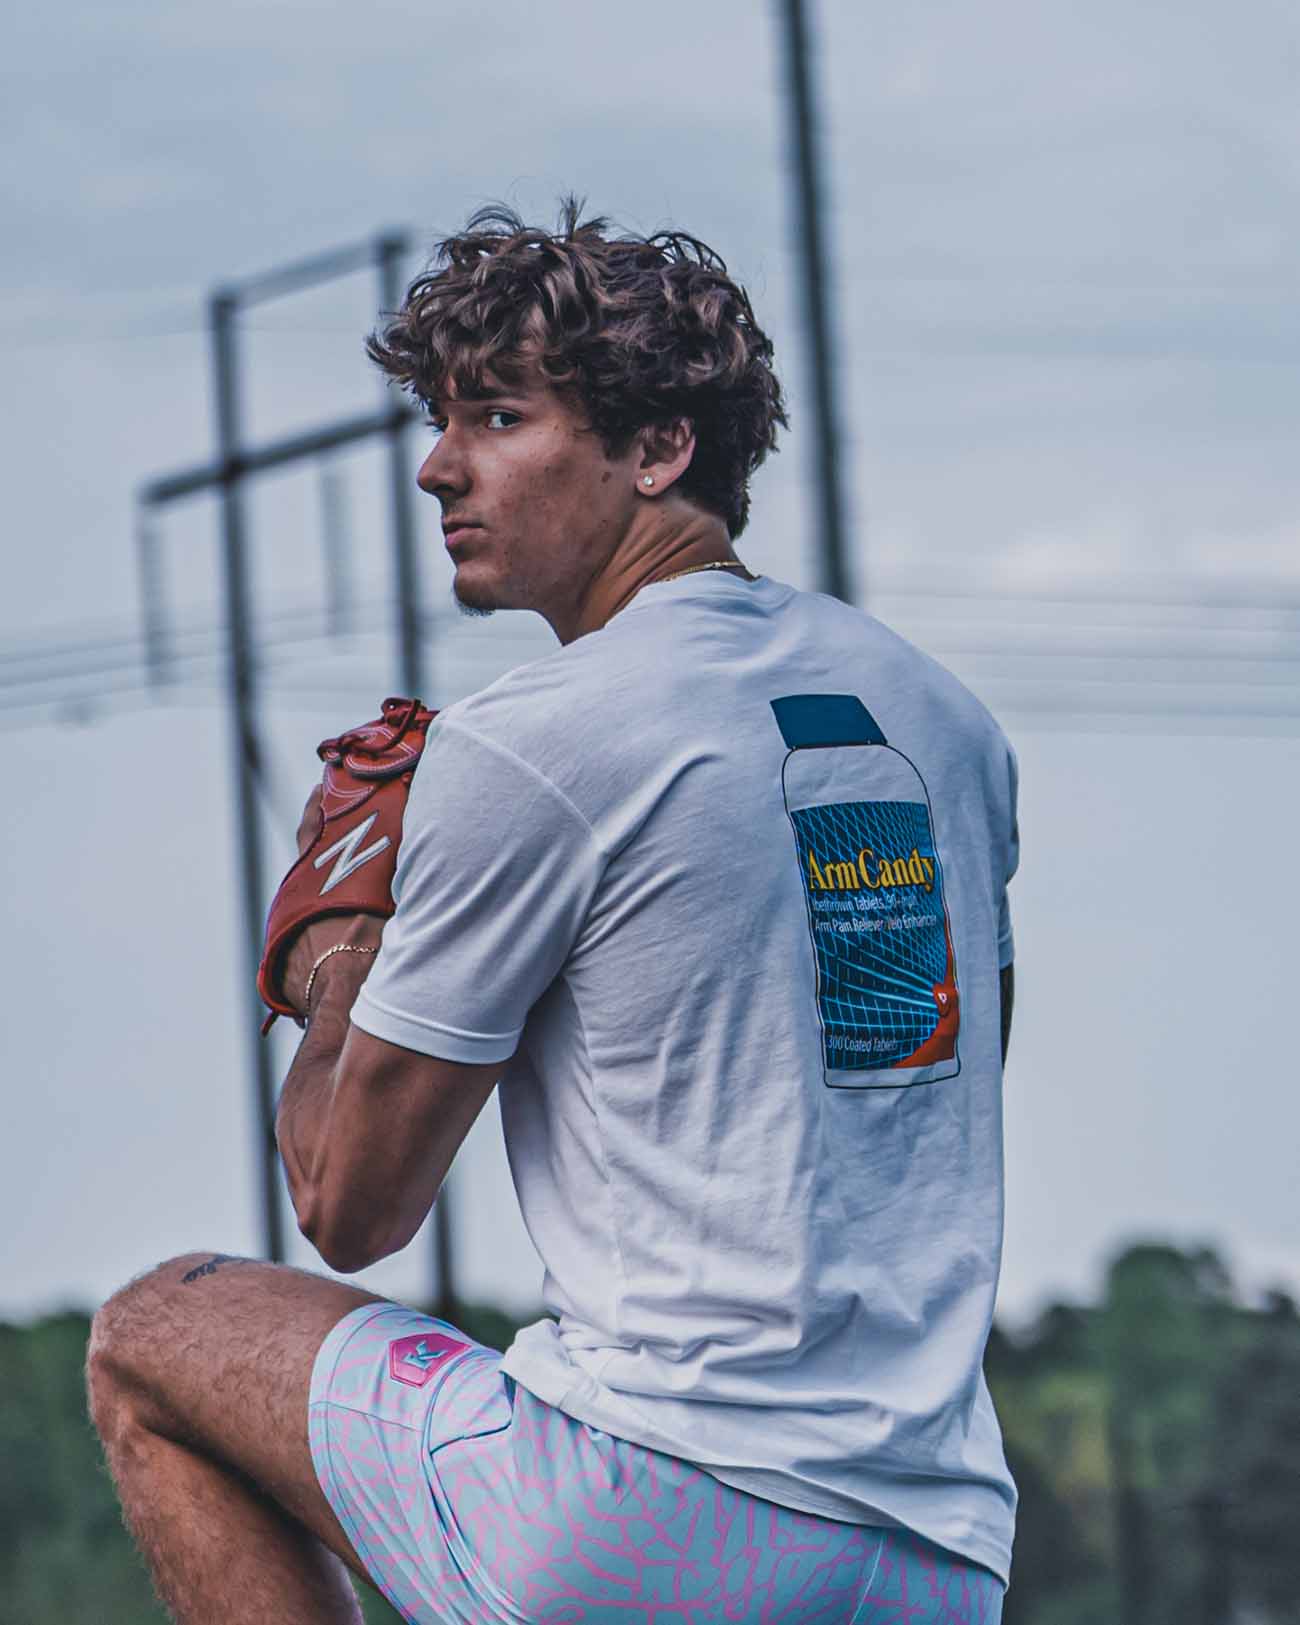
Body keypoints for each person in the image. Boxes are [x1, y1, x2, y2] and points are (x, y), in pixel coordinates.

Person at [87, 199, 1019, 1624]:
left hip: (649, 1518)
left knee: (156, 1337)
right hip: (934, 1547)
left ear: (660, 448)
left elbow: (349, 1202)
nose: (437, 467)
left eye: (499, 417)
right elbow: (928, 1079)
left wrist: (345, 958)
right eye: (441, 418)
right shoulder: (941, 718)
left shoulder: (537, 739)